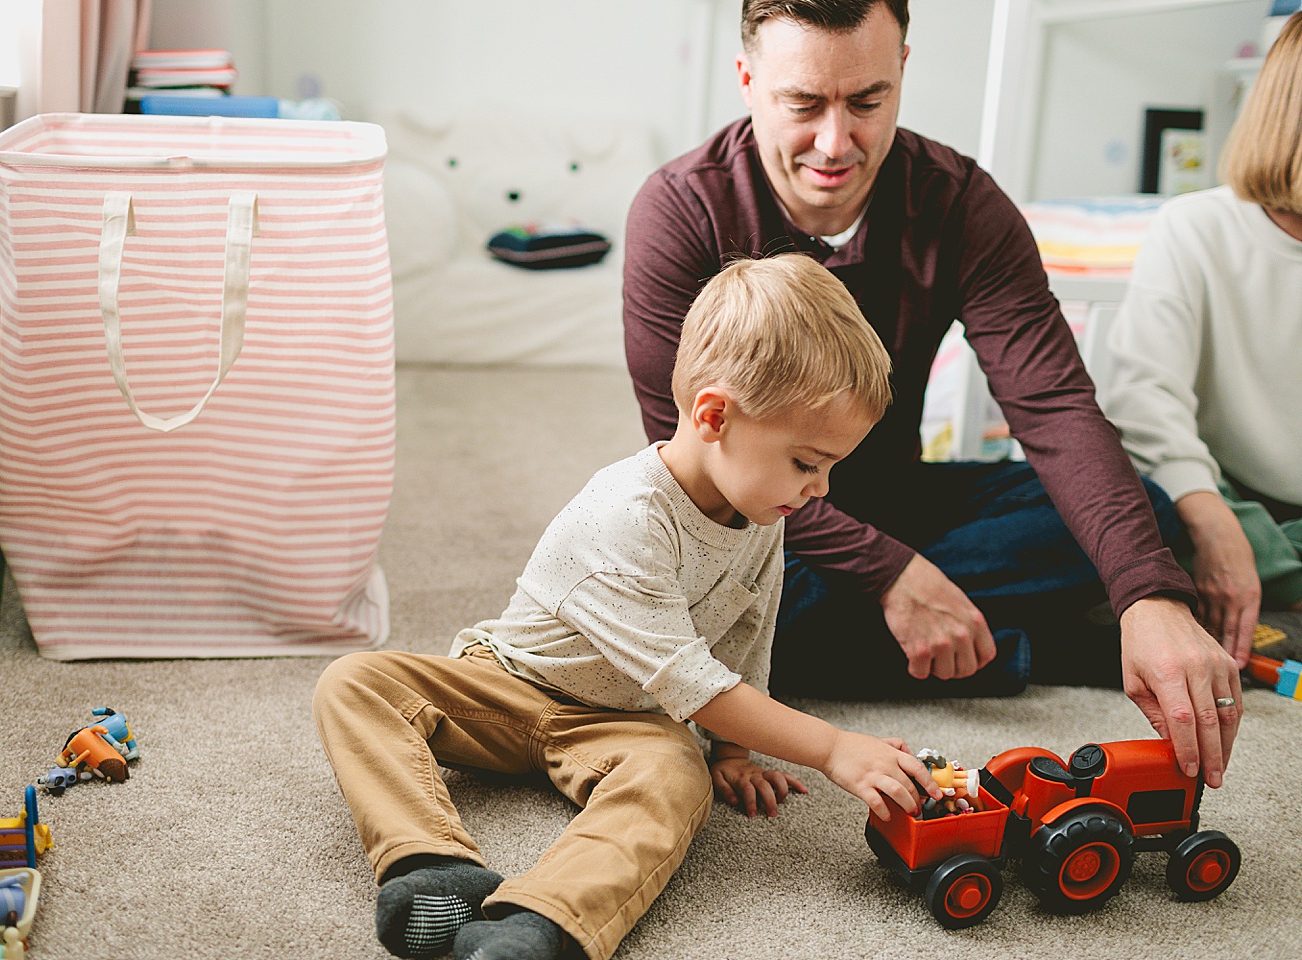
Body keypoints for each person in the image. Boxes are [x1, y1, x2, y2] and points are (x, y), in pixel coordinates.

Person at [622, 0, 1241, 789]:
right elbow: (695, 461)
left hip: (895, 494)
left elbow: (1053, 408)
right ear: (748, 81)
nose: (835, 143)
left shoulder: (960, 202)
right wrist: (888, 573)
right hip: (749, 524)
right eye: (804, 105)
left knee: (1144, 520)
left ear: (904, 70)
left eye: (867, 101)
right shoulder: (680, 209)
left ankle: (938, 630)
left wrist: (1149, 596)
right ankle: (1020, 648)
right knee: (697, 615)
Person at [312, 255, 943, 960]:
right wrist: (831, 748)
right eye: (806, 462)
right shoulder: (625, 514)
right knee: (355, 683)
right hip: (512, 684)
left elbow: (745, 634)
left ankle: (542, 923)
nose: (821, 488)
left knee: (678, 777)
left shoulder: (764, 514)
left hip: (628, 724)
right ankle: (428, 866)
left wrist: (732, 752)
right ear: (713, 415)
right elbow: (693, 682)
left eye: (831, 467)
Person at [1104, 11, 1302, 670]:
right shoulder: (1196, 228)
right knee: (1140, 516)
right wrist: (1211, 514)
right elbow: (1144, 399)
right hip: (1222, 498)